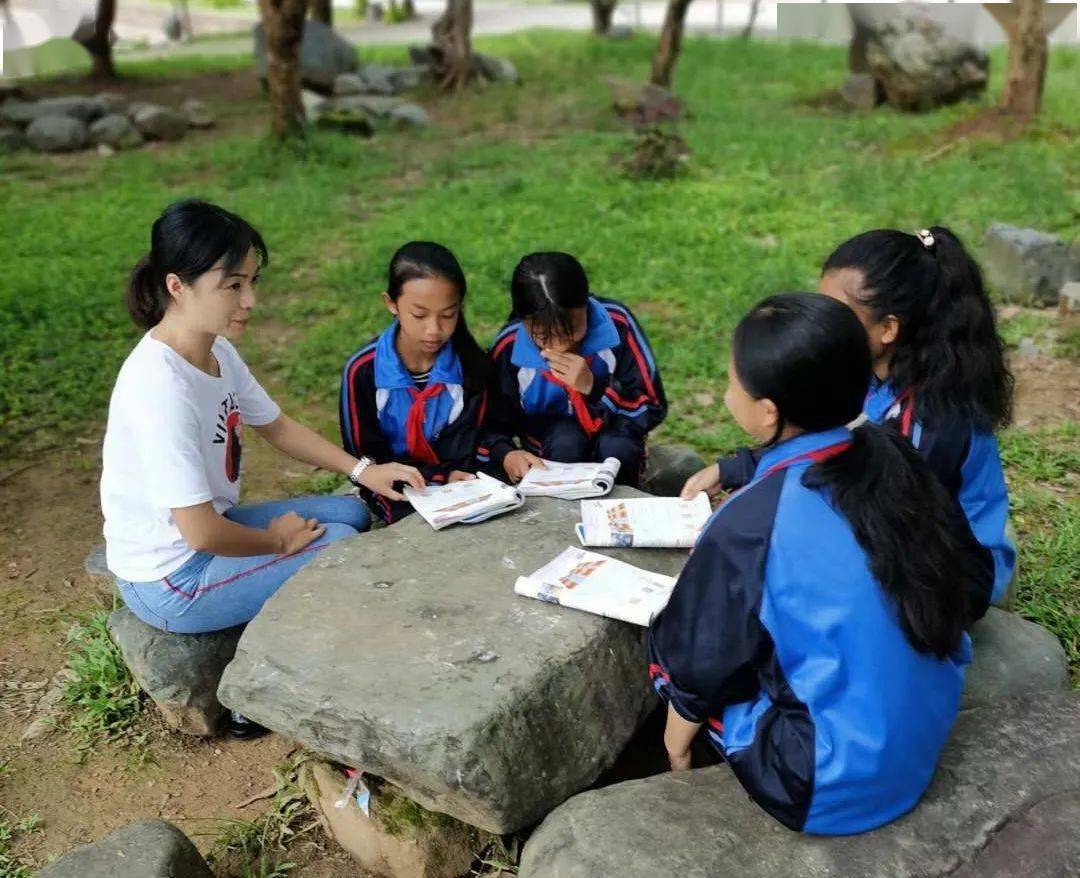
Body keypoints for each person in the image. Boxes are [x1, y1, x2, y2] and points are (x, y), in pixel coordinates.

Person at [649, 293, 992, 835]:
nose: (723, 392)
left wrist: (675, 748)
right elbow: (973, 579)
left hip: (825, 783)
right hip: (922, 733)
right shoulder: (897, 456)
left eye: (732, 381)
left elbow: (698, 662)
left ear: (768, 411)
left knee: (674, 645)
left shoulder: (749, 522)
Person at [101, 199, 423, 642]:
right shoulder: (160, 388)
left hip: (210, 529)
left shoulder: (215, 350)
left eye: (252, 282)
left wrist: (364, 471)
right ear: (177, 286)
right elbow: (200, 534)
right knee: (338, 544)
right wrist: (278, 542)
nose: (250, 301)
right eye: (233, 286)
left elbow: (277, 426)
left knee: (351, 510)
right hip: (172, 581)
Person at [682, 227, 1014, 604]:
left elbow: (895, 530)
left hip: (946, 569)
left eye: (839, 314)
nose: (823, 322)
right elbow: (822, 434)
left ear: (888, 328)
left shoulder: (931, 423)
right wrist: (736, 470)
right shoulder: (868, 373)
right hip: (887, 523)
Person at [478, 252, 666, 487]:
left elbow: (652, 404)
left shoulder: (618, 324)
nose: (560, 345)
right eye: (542, 335)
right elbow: (490, 421)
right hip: (548, 451)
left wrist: (594, 387)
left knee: (616, 448)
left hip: (616, 433)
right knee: (565, 440)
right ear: (522, 321)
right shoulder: (509, 347)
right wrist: (506, 452)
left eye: (571, 330)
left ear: (586, 305)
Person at [339, 242, 489, 524]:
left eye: (448, 315)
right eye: (419, 315)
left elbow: (474, 438)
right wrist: (436, 479)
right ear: (391, 304)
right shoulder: (363, 371)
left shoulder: (470, 364)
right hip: (395, 483)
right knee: (416, 523)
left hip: (461, 477)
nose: (434, 330)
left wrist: (456, 475)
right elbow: (364, 457)